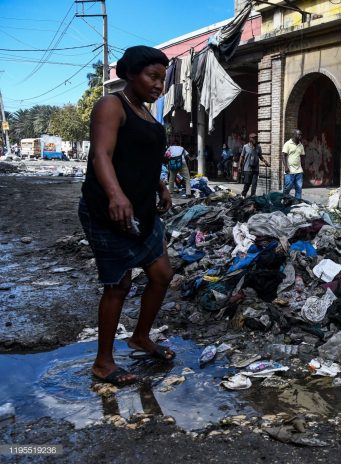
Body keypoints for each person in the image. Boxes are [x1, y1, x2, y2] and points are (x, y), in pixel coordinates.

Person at [79, 45, 175, 386]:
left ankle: (140, 337)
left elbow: (145, 160)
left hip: (142, 210)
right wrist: (116, 195)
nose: (158, 85)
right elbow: (101, 155)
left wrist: (161, 185)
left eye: (162, 79)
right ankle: (103, 362)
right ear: (130, 73)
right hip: (107, 210)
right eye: (152, 76)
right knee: (119, 284)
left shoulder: (149, 114)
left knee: (162, 273)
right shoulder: (112, 105)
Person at [240, 133, 269, 198]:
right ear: (250, 139)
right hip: (247, 169)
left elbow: (260, 156)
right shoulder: (245, 147)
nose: (255, 139)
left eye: (256, 138)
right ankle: (243, 195)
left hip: (255, 169)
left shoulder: (258, 147)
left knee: (254, 184)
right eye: (253, 138)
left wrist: (265, 161)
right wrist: (240, 166)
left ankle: (252, 196)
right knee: (247, 183)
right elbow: (241, 157)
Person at [282, 129, 305, 199]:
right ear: (294, 135)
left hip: (299, 170)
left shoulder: (301, 145)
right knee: (288, 187)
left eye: (301, 135)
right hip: (289, 170)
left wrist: (302, 167)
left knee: (299, 188)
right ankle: (284, 199)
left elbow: (302, 156)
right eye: (299, 134)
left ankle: (297, 202)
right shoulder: (287, 144)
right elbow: (283, 155)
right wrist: (286, 166)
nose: (300, 136)